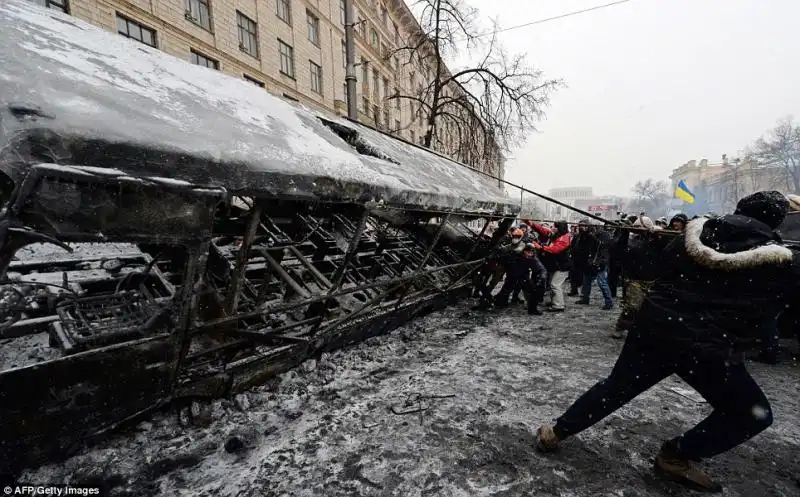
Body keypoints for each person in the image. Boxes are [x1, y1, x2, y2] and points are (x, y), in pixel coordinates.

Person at [534, 191, 800, 493]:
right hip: (709, 347)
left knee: (615, 387)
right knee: (751, 413)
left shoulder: (692, 237)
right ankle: (678, 456)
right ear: (777, 221)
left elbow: (661, 268)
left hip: (656, 328)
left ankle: (556, 432)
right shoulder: (781, 261)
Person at [526, 220, 572, 312]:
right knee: (553, 285)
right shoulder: (557, 234)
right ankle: (555, 301)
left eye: (554, 226)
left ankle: (559, 305)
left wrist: (539, 247)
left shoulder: (564, 238)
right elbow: (543, 230)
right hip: (557, 265)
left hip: (562, 266)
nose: (552, 228)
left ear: (559, 228)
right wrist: (531, 224)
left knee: (555, 285)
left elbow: (554, 250)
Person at [575, 223, 615, 310]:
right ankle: (585, 298)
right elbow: (583, 247)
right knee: (586, 280)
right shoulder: (586, 235)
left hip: (601, 261)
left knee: (602, 282)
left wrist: (592, 236)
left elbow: (602, 245)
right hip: (590, 261)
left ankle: (609, 302)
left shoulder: (604, 235)